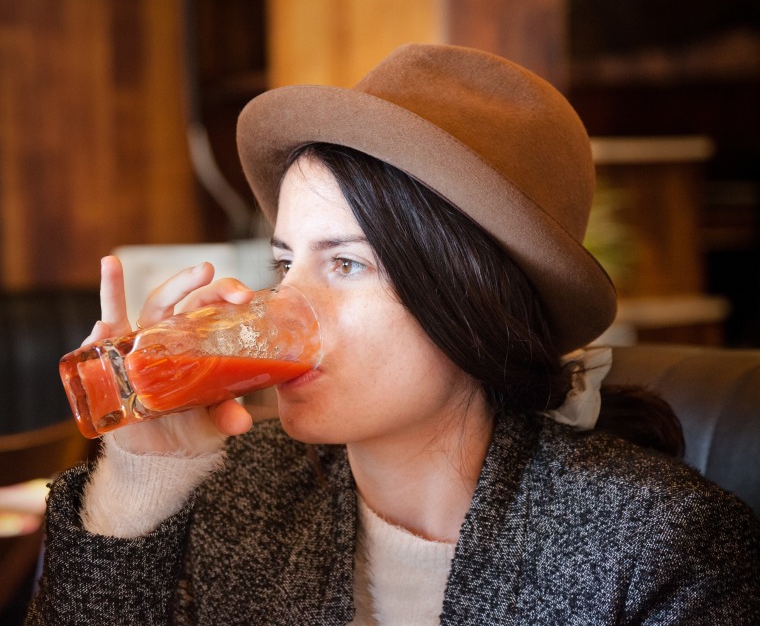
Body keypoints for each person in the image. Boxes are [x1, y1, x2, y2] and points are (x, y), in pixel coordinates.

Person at [27, 44, 760, 625]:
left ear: (473, 299)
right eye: (286, 263)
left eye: (345, 263)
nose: (289, 302)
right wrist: (137, 480)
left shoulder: (659, 549)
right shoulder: (240, 490)